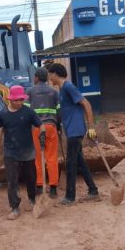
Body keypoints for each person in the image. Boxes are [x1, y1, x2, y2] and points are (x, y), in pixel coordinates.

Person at [0, 85, 47, 220]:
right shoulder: (3, 114)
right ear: (10, 100)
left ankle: (32, 199)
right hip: (11, 153)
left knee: (31, 178)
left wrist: (42, 134)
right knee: (12, 181)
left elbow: (41, 125)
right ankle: (15, 207)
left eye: (21, 100)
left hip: (28, 152)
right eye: (17, 100)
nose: (19, 103)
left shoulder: (29, 112)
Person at [46, 63, 99, 206]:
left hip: (76, 131)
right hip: (71, 130)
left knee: (71, 163)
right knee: (80, 161)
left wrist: (91, 127)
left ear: (55, 74)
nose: (49, 77)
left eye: (50, 74)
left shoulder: (68, 87)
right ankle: (93, 190)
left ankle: (70, 197)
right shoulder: (62, 90)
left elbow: (86, 104)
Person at [25, 67, 60, 199]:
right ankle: (53, 189)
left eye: (34, 76)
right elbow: (59, 111)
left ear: (37, 78)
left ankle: (39, 187)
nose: (33, 79)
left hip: (37, 129)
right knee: (51, 158)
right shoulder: (54, 92)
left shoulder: (30, 92)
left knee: (38, 158)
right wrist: (59, 126)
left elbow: (27, 112)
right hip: (51, 127)